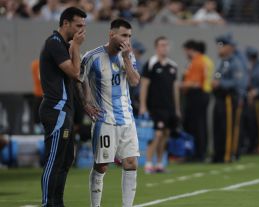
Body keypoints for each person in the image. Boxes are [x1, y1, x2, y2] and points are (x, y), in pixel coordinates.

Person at [77, 19, 140, 207]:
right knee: (102, 166)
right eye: (123, 35)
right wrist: (85, 103)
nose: (127, 40)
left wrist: (127, 58)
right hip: (105, 120)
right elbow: (79, 79)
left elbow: (135, 81)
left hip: (127, 119)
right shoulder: (92, 56)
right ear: (112, 35)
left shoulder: (128, 56)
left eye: (129, 36)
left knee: (131, 163)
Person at [39, 7, 86, 207]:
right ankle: (49, 202)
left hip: (66, 110)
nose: (82, 31)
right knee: (55, 159)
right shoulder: (54, 43)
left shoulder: (64, 45)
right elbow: (75, 73)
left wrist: (86, 104)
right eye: (78, 25)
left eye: (84, 26)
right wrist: (76, 47)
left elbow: (78, 80)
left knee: (67, 159)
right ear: (65, 23)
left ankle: (57, 201)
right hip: (55, 109)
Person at [139, 36, 180, 173]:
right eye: (162, 45)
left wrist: (177, 109)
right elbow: (144, 85)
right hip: (155, 106)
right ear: (156, 47)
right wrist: (143, 105)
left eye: (166, 45)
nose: (164, 47)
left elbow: (175, 88)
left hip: (169, 107)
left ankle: (160, 163)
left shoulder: (173, 66)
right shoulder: (150, 64)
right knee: (156, 134)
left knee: (165, 135)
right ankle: (148, 163)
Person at [212, 34, 245, 163]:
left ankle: (228, 154)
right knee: (218, 127)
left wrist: (220, 84)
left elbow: (238, 82)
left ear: (230, 48)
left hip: (229, 98)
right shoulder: (221, 62)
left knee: (229, 127)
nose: (219, 49)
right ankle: (218, 154)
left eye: (222, 46)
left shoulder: (235, 62)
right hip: (219, 98)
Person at [181, 40, 211, 161]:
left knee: (196, 126)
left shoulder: (197, 61)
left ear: (190, 49)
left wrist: (180, 85)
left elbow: (195, 83)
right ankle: (201, 152)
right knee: (201, 125)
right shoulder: (205, 60)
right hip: (204, 95)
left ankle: (198, 154)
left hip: (197, 95)